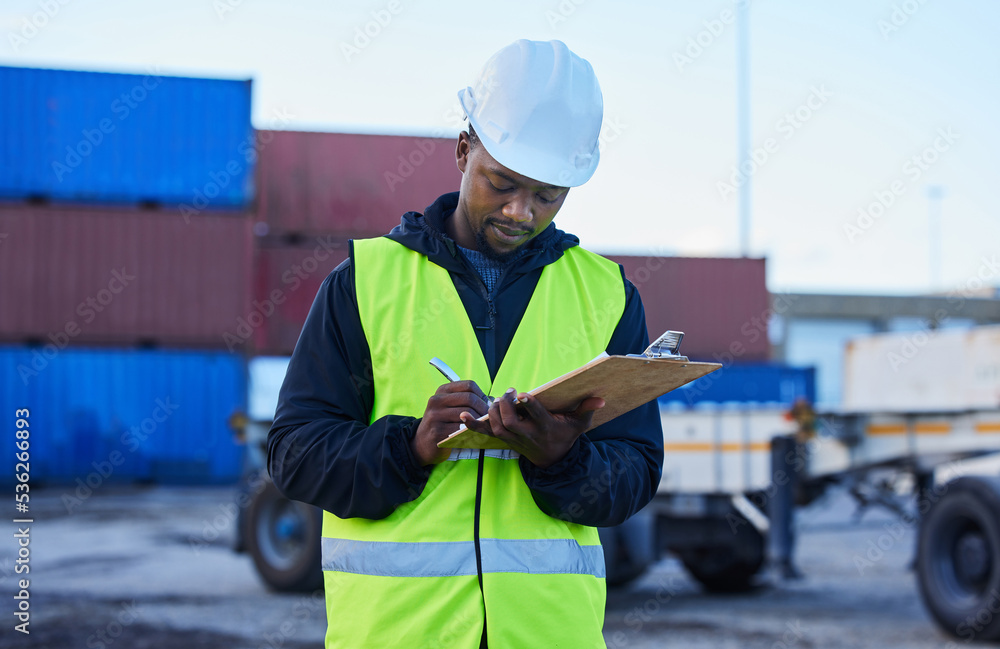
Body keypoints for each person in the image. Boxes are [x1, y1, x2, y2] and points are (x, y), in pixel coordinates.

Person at [267, 39, 664, 649]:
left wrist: (565, 459)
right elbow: (294, 454)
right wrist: (410, 446)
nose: (520, 212)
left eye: (547, 196)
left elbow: (635, 474)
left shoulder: (607, 296)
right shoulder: (365, 282)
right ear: (462, 149)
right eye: (501, 183)